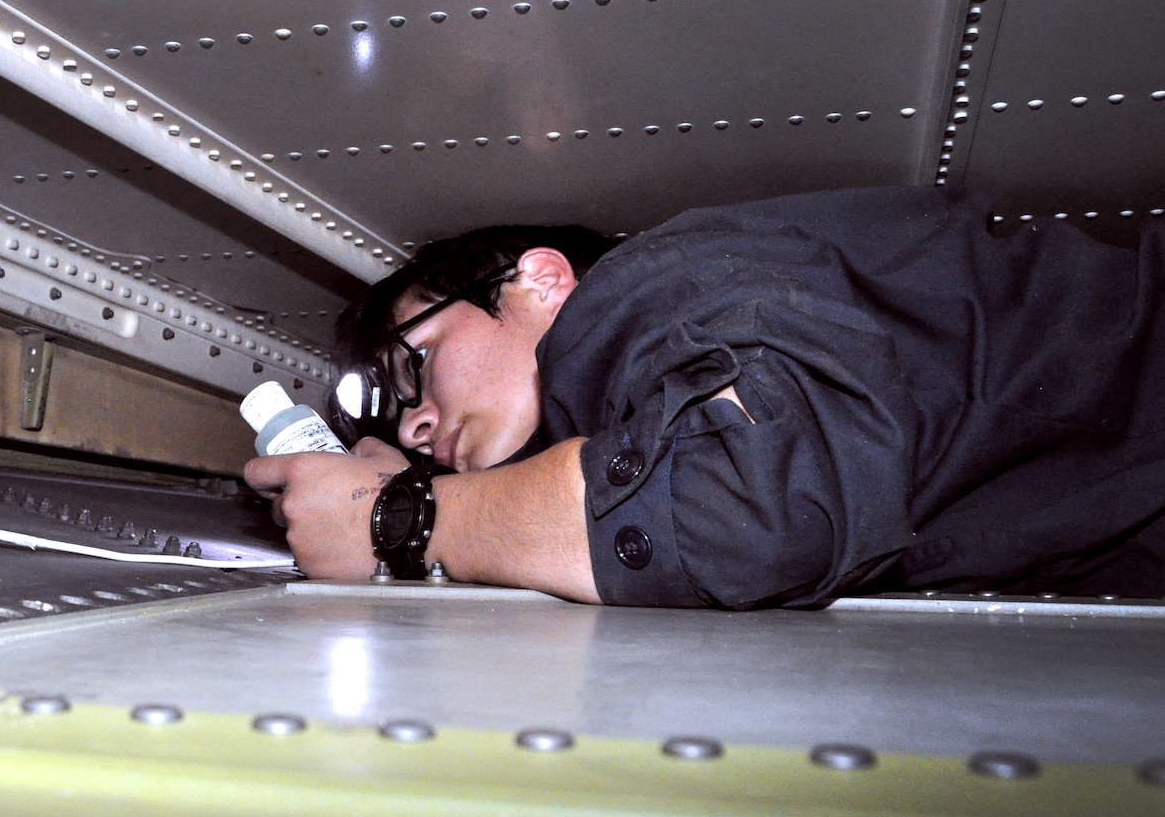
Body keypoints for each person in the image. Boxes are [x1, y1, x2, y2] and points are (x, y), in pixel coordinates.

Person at [244, 186, 1165, 607]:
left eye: (418, 360)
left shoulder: (650, 287)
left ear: (540, 280)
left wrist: (399, 516)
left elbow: (750, 509)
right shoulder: (629, 389)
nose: (413, 420)